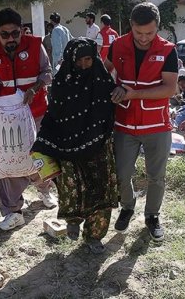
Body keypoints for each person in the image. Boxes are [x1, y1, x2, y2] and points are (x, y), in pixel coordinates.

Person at [33, 37, 118, 253]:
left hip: (98, 146)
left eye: (88, 59)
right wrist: (42, 142)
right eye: (78, 60)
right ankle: (73, 218)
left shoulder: (102, 81)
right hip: (67, 146)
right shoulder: (62, 84)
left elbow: (110, 114)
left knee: (101, 190)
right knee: (71, 185)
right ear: (70, 61)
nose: (83, 65)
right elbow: (53, 116)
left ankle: (94, 236)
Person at [106, 2, 179, 242]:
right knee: (122, 172)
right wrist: (113, 87)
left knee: (156, 176)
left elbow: (170, 88)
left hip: (156, 126)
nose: (145, 38)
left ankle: (152, 216)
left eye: (150, 32)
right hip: (125, 124)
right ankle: (127, 207)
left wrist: (134, 94)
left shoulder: (168, 50)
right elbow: (105, 72)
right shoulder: (117, 45)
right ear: (131, 26)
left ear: (158, 27)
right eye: (139, 33)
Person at [0, 8, 57, 231]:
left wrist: (34, 88)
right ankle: (13, 210)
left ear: (22, 31)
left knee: (40, 155)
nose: (11, 39)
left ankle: (45, 190)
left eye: (15, 33)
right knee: (7, 159)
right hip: (7, 116)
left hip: (37, 111)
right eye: (5, 35)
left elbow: (48, 73)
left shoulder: (34, 45)